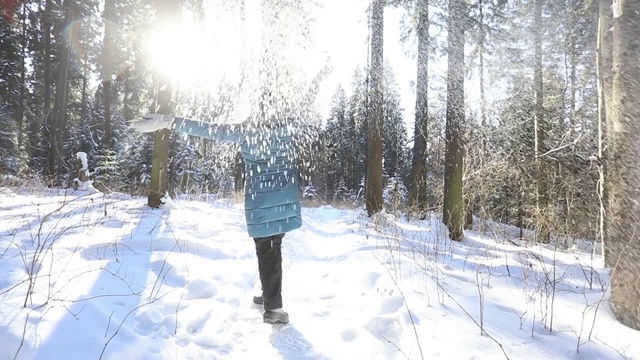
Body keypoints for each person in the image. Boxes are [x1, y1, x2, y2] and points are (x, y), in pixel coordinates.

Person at [130, 111, 302, 324]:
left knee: (265, 248)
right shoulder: (289, 129)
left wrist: (169, 121)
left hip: (261, 198)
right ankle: (269, 295)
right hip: (286, 194)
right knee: (274, 244)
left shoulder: (245, 131)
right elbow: (309, 95)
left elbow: (207, 129)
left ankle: (274, 309)